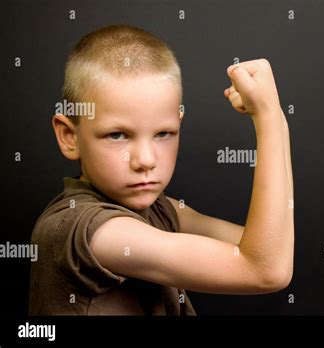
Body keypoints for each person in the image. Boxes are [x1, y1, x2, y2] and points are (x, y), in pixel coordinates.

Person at [29, 24, 294, 315]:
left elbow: (270, 245)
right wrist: (268, 120)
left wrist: (278, 121)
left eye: (163, 134)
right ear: (70, 136)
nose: (145, 160)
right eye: (117, 135)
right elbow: (266, 269)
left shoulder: (163, 209)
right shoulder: (88, 231)